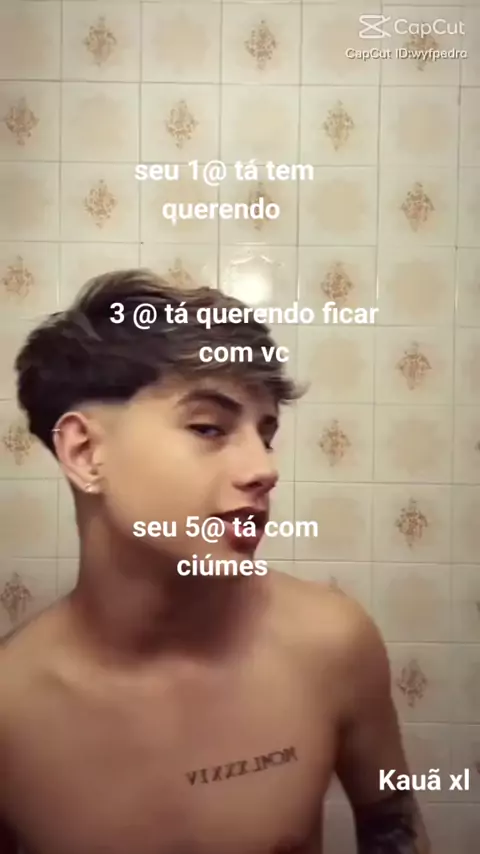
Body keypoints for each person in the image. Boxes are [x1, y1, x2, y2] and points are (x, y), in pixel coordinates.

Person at [0, 270, 431, 854]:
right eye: (209, 427)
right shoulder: (11, 708)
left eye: (266, 434)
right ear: (86, 451)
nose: (265, 469)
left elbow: (394, 829)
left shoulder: (332, 644)